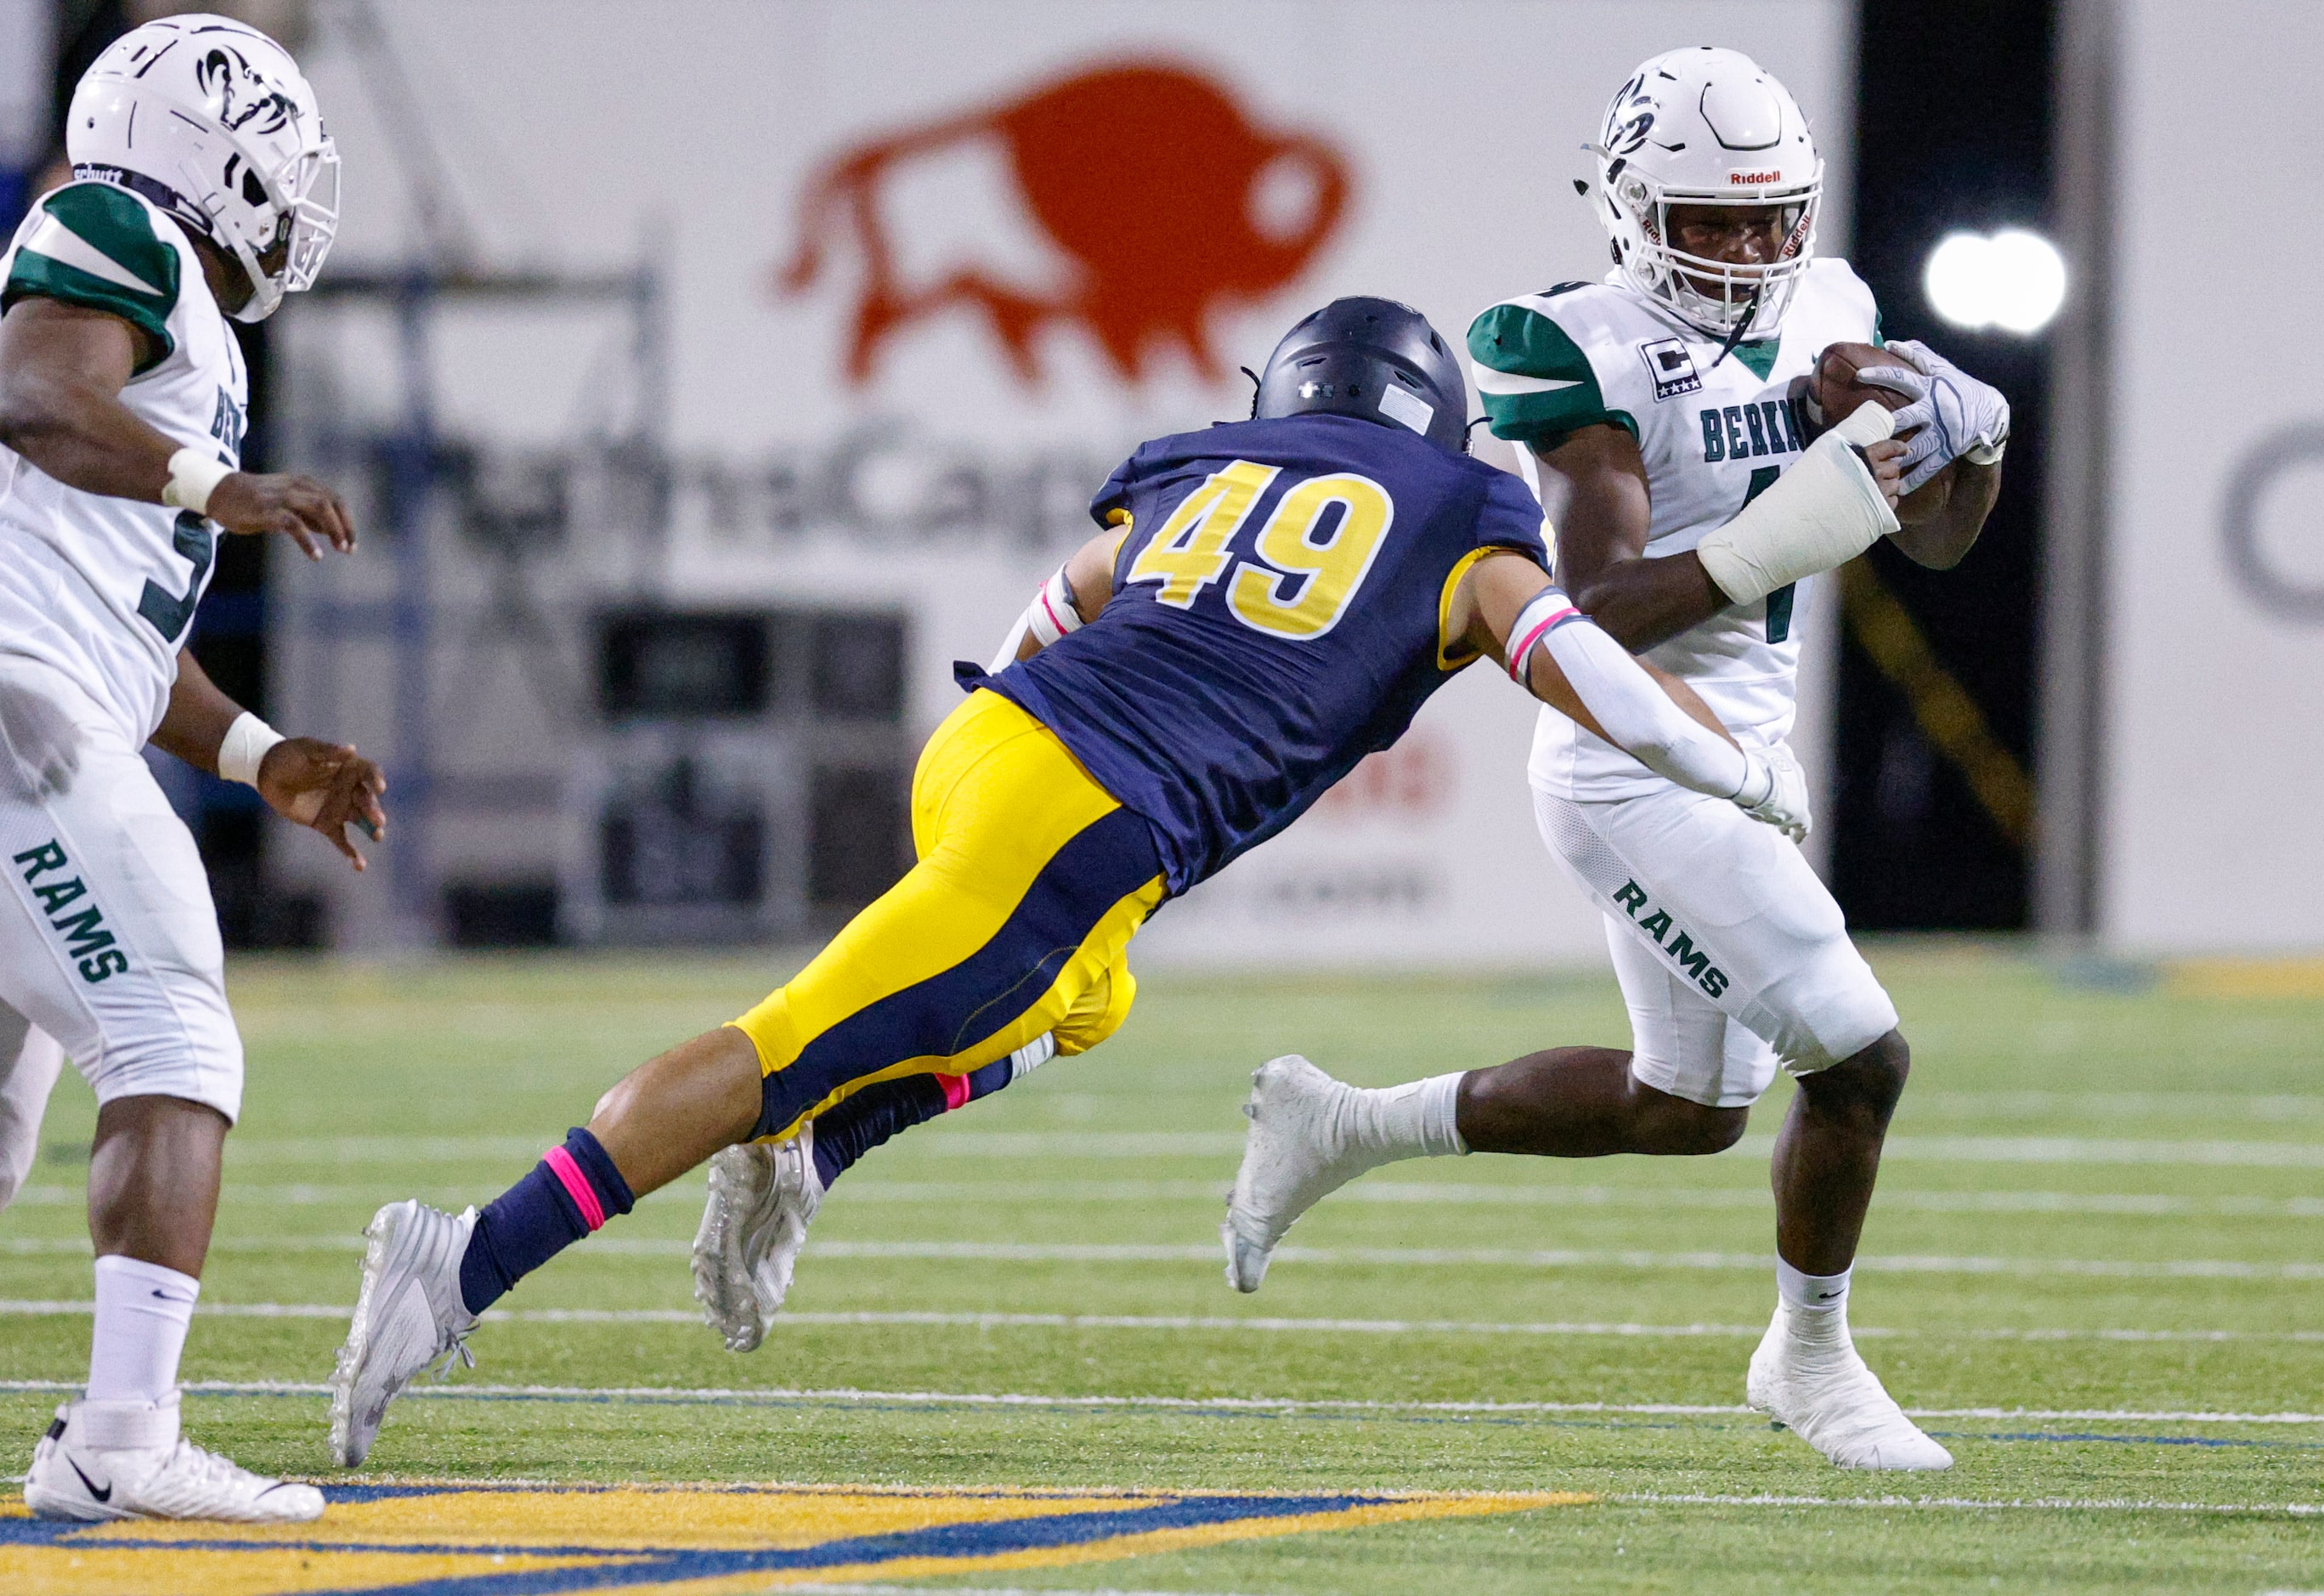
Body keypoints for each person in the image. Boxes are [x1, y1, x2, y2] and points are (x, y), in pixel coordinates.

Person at [327, 294, 1903, 1466]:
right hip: (1084, 816)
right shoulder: (1464, 517)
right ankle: (463, 1256)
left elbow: (1065, 595)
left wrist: (1006, 736)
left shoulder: (1205, 464)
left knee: (1090, 996)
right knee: (776, 1050)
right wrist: (1751, 770)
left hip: (1004, 751)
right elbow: (1589, 669)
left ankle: (813, 1151)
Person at [1220, 48, 2012, 1473]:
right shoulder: (1574, 342)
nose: (1754, 252)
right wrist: (1795, 522)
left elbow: (1934, 535)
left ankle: (1340, 1123)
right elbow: (1586, 609)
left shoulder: (1831, 305)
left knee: (1690, 1108)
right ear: (1638, 211)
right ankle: (1810, 1355)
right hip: (1627, 757)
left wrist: (1978, 444)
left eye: (1775, 218)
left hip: (1749, 755)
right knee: (1861, 1054)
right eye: (1715, 222)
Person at [0, 16, 382, 1522]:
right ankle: (120, 1440)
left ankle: (118, 1433)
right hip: (19, 711)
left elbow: (124, 629)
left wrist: (258, 749)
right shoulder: (112, 221)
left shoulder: (194, 338)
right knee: (172, 1029)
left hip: (49, 690)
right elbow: (29, 391)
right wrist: (213, 480)